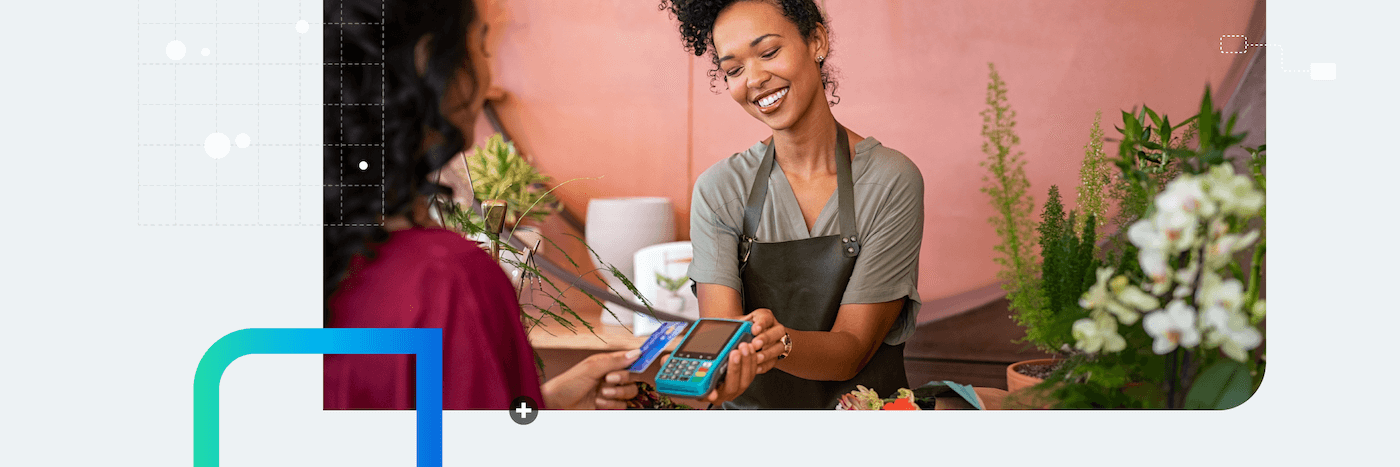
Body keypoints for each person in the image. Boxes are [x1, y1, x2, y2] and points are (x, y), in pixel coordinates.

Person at [321, 0, 762, 410]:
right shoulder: (448, 280)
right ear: (430, 62)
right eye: (481, 46)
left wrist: (550, 402)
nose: (489, 78)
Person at [661, 0, 925, 408]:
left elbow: (852, 348)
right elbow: (724, 342)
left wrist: (779, 343)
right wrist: (722, 370)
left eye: (768, 53)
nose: (755, 78)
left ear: (816, 41)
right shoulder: (720, 190)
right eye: (734, 70)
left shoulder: (890, 181)